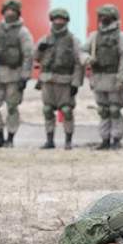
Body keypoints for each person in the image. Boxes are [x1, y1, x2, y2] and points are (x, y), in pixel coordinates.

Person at [0, 0, 34, 148]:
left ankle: (10, 138)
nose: (10, 13)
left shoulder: (23, 32)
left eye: (13, 11)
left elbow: (28, 55)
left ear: (18, 13)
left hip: (14, 75)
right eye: (7, 10)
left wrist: (25, 76)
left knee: (12, 107)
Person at [34, 9, 84, 150]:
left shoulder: (73, 40)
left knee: (67, 110)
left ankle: (68, 141)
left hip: (65, 81)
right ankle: (49, 140)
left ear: (66, 21)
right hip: (48, 80)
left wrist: (76, 83)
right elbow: (36, 58)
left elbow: (78, 63)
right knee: (47, 110)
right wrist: (39, 50)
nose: (58, 22)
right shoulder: (45, 39)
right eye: (56, 19)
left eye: (61, 19)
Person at [83, 4, 123, 150]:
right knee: (103, 110)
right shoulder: (94, 36)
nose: (103, 18)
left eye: (106, 16)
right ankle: (104, 139)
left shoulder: (122, 37)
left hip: (114, 76)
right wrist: (87, 59)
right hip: (98, 76)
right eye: (101, 16)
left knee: (115, 110)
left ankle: (116, 139)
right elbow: (82, 51)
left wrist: (122, 79)